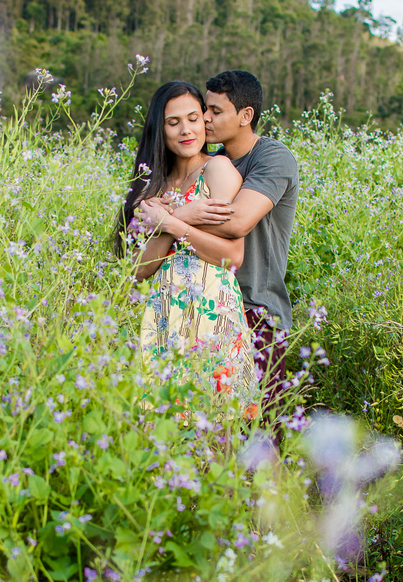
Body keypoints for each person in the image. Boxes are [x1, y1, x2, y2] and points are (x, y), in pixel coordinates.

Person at [113, 81, 259, 409]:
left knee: (214, 423)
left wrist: (170, 222)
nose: (186, 130)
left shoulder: (216, 169)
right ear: (160, 129)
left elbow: (232, 255)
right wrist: (178, 218)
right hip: (163, 317)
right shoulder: (153, 187)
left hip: (210, 313)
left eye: (193, 119)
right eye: (173, 122)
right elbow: (138, 270)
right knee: (160, 424)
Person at [163, 70, 299, 415]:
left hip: (256, 309)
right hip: (207, 309)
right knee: (211, 425)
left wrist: (173, 216)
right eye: (204, 110)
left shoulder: (272, 157)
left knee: (260, 429)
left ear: (245, 115)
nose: (205, 119)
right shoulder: (209, 162)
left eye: (216, 111)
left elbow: (237, 221)